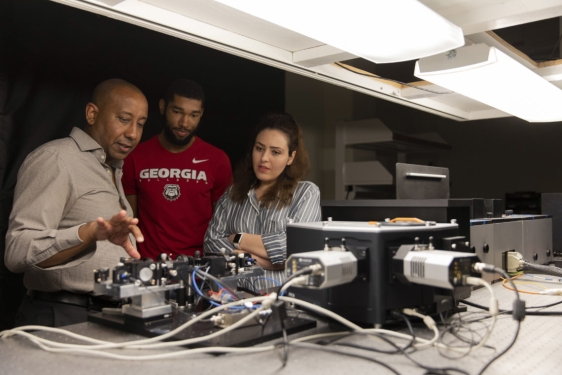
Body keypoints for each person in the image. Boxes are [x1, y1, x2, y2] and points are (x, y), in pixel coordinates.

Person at [4, 78, 148, 327]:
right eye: (124, 119)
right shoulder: (57, 159)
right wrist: (88, 232)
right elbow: (17, 251)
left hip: (105, 317)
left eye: (141, 124)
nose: (133, 133)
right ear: (92, 114)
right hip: (60, 315)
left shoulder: (112, 168)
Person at [204, 112, 321, 291]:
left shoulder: (305, 193)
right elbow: (211, 244)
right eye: (259, 148)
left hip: (284, 301)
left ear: (291, 157)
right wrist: (271, 263)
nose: (264, 158)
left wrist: (237, 238)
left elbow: (296, 249)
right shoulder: (231, 195)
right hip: (235, 299)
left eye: (276, 152)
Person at [122, 79, 232, 260]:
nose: (184, 123)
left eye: (194, 115)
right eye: (177, 112)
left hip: (200, 268)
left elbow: (224, 225)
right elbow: (130, 222)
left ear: (201, 114)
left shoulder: (217, 160)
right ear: (163, 106)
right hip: (149, 267)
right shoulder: (134, 157)